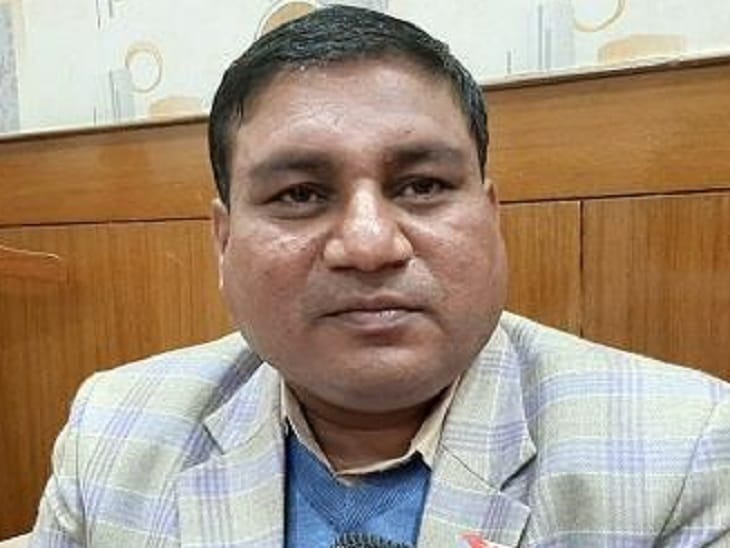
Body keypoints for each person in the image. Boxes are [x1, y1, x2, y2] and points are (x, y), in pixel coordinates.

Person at [30, 6, 729, 548]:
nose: (369, 245)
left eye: (422, 186)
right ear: (224, 240)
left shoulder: (681, 451)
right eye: (300, 194)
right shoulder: (114, 428)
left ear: (490, 218)